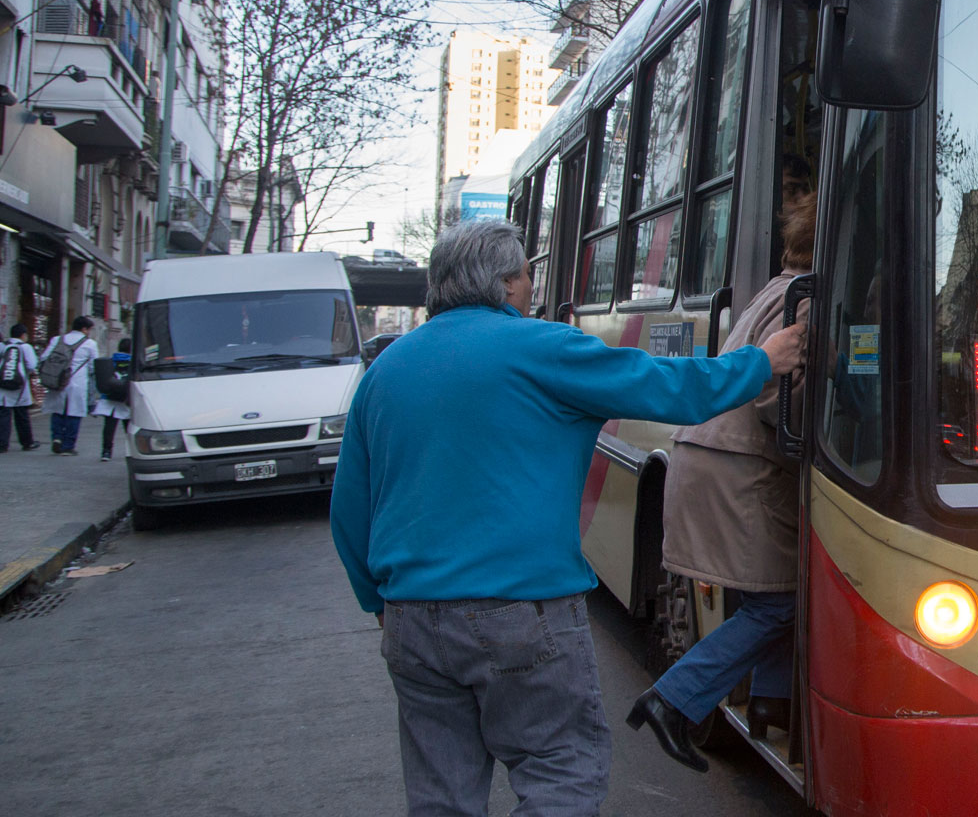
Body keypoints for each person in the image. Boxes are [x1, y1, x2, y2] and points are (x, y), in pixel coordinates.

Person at [329, 220, 805, 817]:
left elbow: (349, 511)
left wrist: (380, 606)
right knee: (560, 774)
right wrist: (763, 360)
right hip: (522, 612)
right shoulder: (544, 349)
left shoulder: (386, 372)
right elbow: (675, 390)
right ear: (505, 284)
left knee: (440, 797)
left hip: (412, 621)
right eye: (529, 274)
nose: (532, 288)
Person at [629, 192, 816, 773]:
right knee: (781, 603)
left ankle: (768, 701)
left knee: (779, 590)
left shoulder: (777, 286)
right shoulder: (809, 299)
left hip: (714, 458)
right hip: (744, 470)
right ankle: (672, 700)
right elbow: (776, 397)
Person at [42, 316, 97, 455]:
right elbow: (93, 366)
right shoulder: (90, 344)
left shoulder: (57, 339)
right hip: (77, 382)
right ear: (84, 329)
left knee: (58, 411)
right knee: (74, 413)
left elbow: (44, 358)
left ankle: (57, 438)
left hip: (58, 380)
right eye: (89, 329)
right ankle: (68, 446)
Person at [0, 323, 41, 452]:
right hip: (20, 387)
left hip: (3, 386)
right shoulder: (25, 347)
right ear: (23, 335)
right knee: (22, 416)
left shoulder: (3, 346)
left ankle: (2, 444)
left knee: (3, 415)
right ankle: (27, 442)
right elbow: (32, 365)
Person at [93, 338, 132, 461]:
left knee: (109, 427)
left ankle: (106, 452)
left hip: (109, 400)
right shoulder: (134, 362)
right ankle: (131, 451)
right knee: (129, 428)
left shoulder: (110, 361)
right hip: (127, 400)